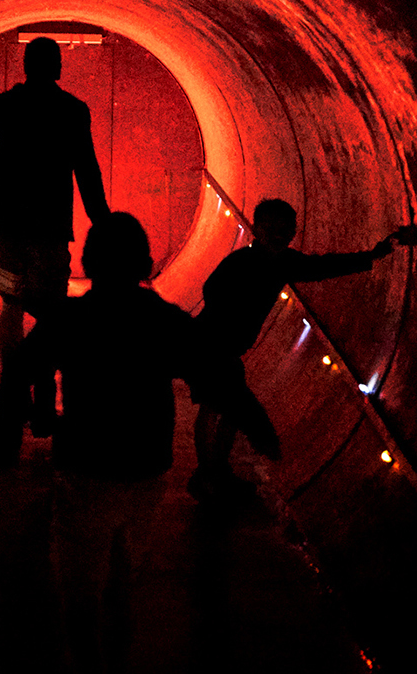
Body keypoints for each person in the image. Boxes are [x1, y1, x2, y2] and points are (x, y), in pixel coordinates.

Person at [21, 213, 277, 672]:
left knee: (79, 590)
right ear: (145, 262)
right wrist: (259, 427)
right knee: (124, 578)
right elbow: (217, 373)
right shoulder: (163, 320)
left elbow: (26, 363)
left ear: (88, 260)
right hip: (146, 466)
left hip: (84, 465)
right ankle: (117, 659)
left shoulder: (71, 316)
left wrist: (41, 408)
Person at [189, 198, 415, 501]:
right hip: (212, 345)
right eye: (271, 229)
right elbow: (211, 290)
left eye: (285, 231)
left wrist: (370, 256)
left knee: (226, 409)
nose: (278, 236)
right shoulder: (242, 262)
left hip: (226, 348)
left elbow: (322, 266)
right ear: (258, 229)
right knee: (218, 408)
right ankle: (208, 474)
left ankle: (213, 471)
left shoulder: (283, 263)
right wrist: (227, 325)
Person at [0, 36, 111, 466]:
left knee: (11, 305)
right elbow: (87, 172)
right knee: (50, 314)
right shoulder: (72, 110)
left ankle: (13, 401)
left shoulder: (7, 104)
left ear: (25, 66)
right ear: (58, 68)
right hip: (50, 233)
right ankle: (45, 408)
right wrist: (105, 227)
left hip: (7, 230)